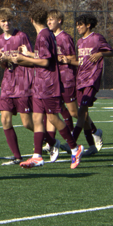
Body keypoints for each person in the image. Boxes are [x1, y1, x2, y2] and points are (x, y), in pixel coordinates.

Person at [13, 3, 83, 169]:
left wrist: (24, 60)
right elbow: (43, 58)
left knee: (52, 118)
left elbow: (45, 61)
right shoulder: (46, 34)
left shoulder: (44, 35)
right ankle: (37, 156)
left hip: (48, 84)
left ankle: (75, 147)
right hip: (39, 84)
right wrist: (26, 57)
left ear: (32, 20)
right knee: (37, 118)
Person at [0, 7, 34, 166]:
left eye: (9, 20)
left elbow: (31, 59)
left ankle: (50, 140)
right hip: (8, 83)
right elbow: (5, 65)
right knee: (5, 120)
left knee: (26, 123)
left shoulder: (21, 36)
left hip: (22, 82)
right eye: (3, 21)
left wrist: (18, 58)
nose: (7, 23)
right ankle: (17, 157)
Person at [69, 13, 113, 155]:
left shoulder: (97, 38)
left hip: (92, 79)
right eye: (77, 25)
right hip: (80, 79)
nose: (78, 28)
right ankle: (94, 134)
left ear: (88, 25)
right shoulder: (79, 42)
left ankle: (71, 142)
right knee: (81, 113)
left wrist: (101, 54)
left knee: (82, 111)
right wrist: (68, 61)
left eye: (80, 25)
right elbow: (81, 62)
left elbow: (111, 52)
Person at [48, 10, 78, 148]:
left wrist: (63, 59)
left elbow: (73, 58)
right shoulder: (48, 37)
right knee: (54, 110)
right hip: (54, 79)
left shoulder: (65, 37)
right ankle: (52, 141)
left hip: (66, 78)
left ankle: (94, 130)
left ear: (59, 20)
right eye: (47, 19)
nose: (49, 22)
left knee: (74, 112)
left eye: (52, 19)